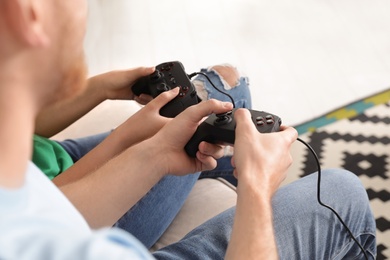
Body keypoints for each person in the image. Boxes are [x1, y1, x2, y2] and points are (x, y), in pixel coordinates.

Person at [0, 1, 377, 259]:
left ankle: (228, 167)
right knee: (341, 190)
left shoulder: (16, 187)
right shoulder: (86, 248)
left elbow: (50, 204)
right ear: (29, 13)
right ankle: (244, 170)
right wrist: (257, 191)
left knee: (215, 116)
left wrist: (152, 155)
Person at [32, 63, 252, 247]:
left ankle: (242, 166)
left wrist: (104, 86)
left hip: (46, 157)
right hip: (77, 221)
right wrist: (127, 139)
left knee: (218, 111)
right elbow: (45, 212)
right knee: (230, 87)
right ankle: (250, 175)